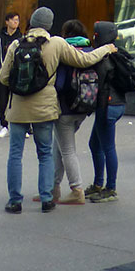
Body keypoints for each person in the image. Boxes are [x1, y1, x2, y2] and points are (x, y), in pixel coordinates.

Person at [0, 7, 116, 213]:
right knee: (44, 153)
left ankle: (14, 201)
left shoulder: (16, 44)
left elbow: (3, 77)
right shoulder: (57, 44)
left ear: (31, 22)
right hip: (44, 108)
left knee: (15, 154)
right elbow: (84, 60)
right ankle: (46, 198)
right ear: (49, 25)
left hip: (18, 108)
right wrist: (106, 49)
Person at [49, 19, 94, 206]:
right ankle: (52, 188)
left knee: (67, 150)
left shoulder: (65, 51)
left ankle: (77, 190)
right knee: (58, 147)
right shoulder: (89, 50)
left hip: (65, 108)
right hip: (83, 106)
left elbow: (59, 84)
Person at [87, 21, 128, 203]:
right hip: (117, 104)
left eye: (96, 34)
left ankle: (110, 188)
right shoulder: (118, 53)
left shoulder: (105, 57)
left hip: (108, 105)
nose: (94, 37)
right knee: (95, 144)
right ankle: (98, 184)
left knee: (108, 147)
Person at [0, 11, 21, 137]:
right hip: (1, 75)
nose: (16, 22)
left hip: (17, 76)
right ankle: (4, 125)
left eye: (17, 20)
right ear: (7, 21)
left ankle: (22, 127)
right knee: (2, 102)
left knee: (18, 101)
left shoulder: (21, 38)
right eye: (13, 20)